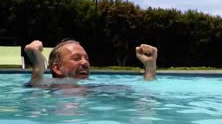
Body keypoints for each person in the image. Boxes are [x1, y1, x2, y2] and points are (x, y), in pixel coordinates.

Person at [24, 39, 158, 86]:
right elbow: (37, 86)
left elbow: (146, 90)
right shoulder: (51, 85)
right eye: (76, 58)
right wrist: (37, 67)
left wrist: (150, 66)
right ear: (57, 68)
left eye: (86, 58)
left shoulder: (95, 86)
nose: (85, 63)